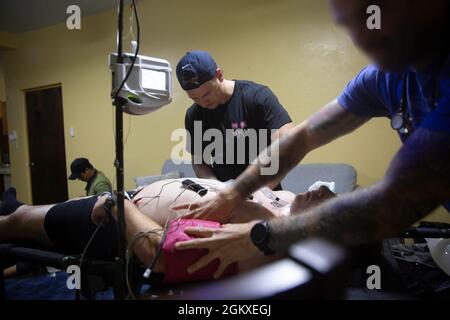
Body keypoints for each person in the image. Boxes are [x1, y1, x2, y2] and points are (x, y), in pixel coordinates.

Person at [171, 0, 450, 279]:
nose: (362, 36)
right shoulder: (383, 79)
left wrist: (262, 233)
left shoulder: (255, 97)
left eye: (370, 13)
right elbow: (302, 138)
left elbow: (393, 204)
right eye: (348, 23)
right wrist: (231, 194)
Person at [0, 179, 335, 283]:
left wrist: (118, 204)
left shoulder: (264, 237)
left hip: (112, 224)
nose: (322, 191)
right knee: (30, 216)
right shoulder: (286, 200)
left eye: (329, 203)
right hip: (128, 199)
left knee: (19, 220)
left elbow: (160, 255)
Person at [177, 51, 293, 190]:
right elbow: (200, 163)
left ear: (219, 75)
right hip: (223, 195)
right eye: (194, 98)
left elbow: (287, 143)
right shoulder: (193, 115)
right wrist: (217, 189)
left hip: (266, 190)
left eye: (206, 94)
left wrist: (261, 192)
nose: (203, 103)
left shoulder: (257, 97)